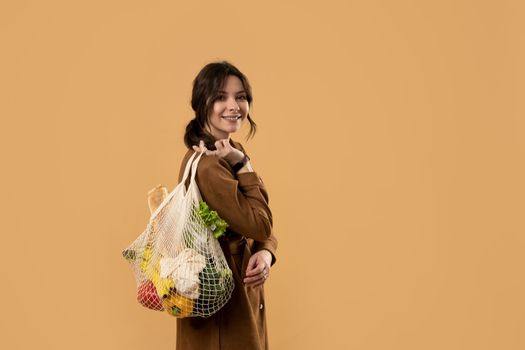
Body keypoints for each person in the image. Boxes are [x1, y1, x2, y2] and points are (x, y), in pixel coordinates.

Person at [177, 61, 278, 350]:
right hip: (223, 309)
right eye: (220, 97)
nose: (233, 105)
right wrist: (245, 167)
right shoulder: (210, 167)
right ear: (202, 104)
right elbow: (261, 223)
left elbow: (261, 218)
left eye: (241, 96)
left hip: (235, 294)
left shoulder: (229, 153)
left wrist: (266, 252)